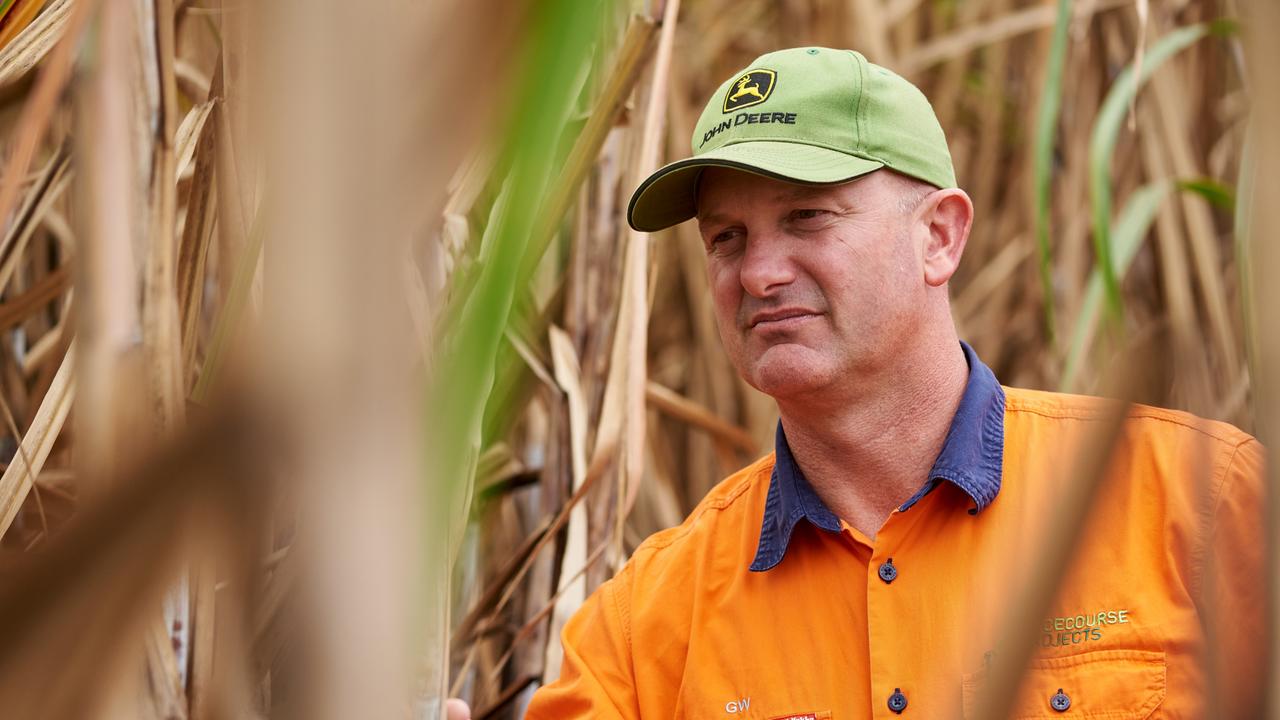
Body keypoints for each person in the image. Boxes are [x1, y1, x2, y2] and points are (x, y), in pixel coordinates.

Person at [504, 47, 1264, 719]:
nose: (760, 274)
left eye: (807, 218)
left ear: (939, 236)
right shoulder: (645, 627)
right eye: (726, 239)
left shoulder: (1194, 498)